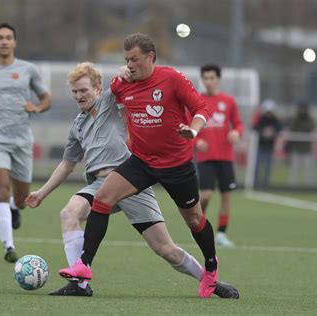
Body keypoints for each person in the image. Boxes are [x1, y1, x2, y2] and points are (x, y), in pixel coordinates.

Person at [26, 62, 238, 298]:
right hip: (101, 185)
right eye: (75, 92)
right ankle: (80, 282)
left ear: (98, 89)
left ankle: (212, 282)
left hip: (134, 183)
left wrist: (125, 72)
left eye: (84, 90)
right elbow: (67, 163)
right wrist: (41, 193)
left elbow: (134, 88)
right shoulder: (78, 125)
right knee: (69, 213)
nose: (79, 96)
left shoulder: (110, 100)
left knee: (165, 249)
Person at [59, 33, 221, 299]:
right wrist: (119, 75)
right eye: (126, 60)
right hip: (142, 162)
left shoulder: (172, 79)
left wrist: (192, 130)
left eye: (134, 59)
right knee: (102, 198)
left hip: (177, 165)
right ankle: (84, 266)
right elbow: (112, 99)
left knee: (194, 219)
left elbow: (201, 107)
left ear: (150, 57)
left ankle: (211, 267)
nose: (130, 64)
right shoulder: (122, 84)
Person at [0, 23, 51, 262]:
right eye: (0, 38)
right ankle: (9, 247)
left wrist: (36, 108)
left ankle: (15, 208)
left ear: (14, 42)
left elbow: (46, 98)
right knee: (0, 186)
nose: (4, 41)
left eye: (8, 37)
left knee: (21, 199)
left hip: (21, 142)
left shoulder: (28, 70)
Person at [195, 64, 244, 247]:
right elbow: (188, 125)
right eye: (206, 78)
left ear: (218, 79)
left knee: (226, 196)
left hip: (225, 157)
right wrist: (196, 141)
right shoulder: (197, 100)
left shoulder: (228, 101)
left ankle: (222, 234)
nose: (209, 81)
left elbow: (238, 124)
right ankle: (198, 227)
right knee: (206, 196)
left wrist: (237, 133)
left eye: (212, 78)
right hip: (206, 158)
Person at [253, 99, 282, 188]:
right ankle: (255, 183)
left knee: (267, 167)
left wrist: (272, 132)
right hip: (260, 146)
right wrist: (263, 132)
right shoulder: (261, 119)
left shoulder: (275, 120)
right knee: (257, 166)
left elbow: (279, 128)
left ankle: (265, 184)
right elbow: (255, 127)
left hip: (270, 147)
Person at [287, 101, 315, 186]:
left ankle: (309, 186)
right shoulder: (295, 119)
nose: (302, 110)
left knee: (308, 169)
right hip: (296, 148)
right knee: (294, 168)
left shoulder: (310, 119)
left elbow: (309, 127)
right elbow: (293, 128)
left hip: (307, 149)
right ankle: (292, 186)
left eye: (304, 108)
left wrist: (301, 130)